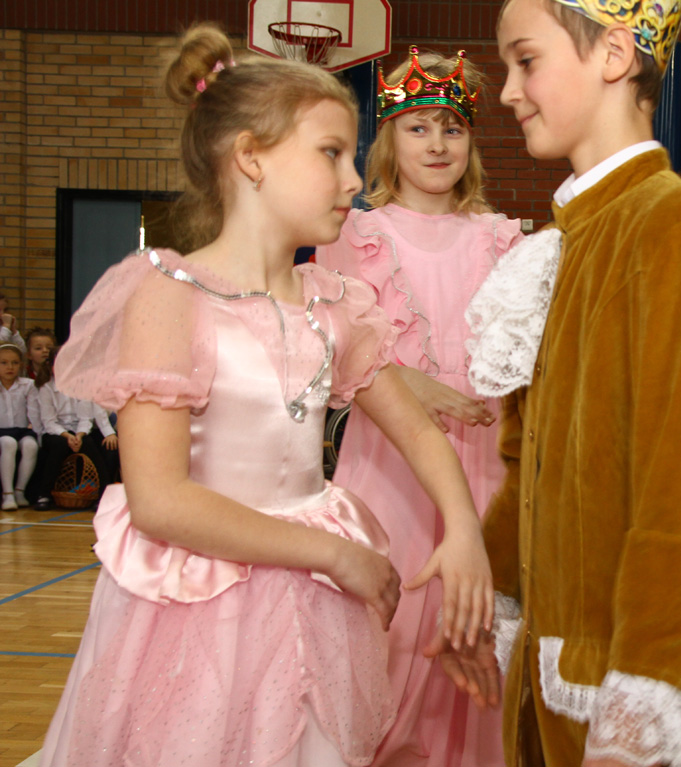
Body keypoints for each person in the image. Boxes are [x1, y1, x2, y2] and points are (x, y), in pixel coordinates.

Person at [40, 25, 494, 766]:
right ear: (251, 157)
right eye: (331, 154)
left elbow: (417, 431)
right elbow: (160, 501)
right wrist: (335, 555)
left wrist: (463, 530)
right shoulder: (170, 297)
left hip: (309, 613)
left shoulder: (333, 302)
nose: (353, 180)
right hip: (199, 613)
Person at [440, 3, 681, 767]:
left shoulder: (675, 226)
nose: (508, 92)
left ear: (615, 56)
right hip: (555, 667)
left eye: (526, 61)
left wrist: (642, 698)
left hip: (620, 686)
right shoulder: (567, 240)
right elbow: (529, 462)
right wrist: (491, 600)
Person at [315, 45, 521, 767]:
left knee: (479, 644)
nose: (437, 145)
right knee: (392, 637)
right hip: (390, 471)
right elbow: (327, 354)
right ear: (389, 140)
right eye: (418, 128)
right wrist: (406, 381)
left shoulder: (504, 240)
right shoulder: (353, 235)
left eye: (452, 129)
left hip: (486, 469)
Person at [30, 347, 115, 510]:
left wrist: (79, 435)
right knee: (59, 445)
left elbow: (86, 418)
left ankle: (103, 494)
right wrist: (67, 436)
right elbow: (49, 421)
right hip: (56, 431)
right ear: (52, 367)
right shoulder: (46, 388)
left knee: (89, 444)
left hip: (79, 430)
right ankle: (44, 494)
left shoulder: (83, 386)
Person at [0, 343, 41, 509]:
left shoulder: (28, 385)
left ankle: (20, 490)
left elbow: (34, 413)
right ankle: (7, 494)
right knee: (8, 443)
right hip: (2, 432)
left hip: (22, 430)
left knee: (31, 445)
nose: (10, 367)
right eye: (3, 363)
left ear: (21, 365)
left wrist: (39, 435)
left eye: (15, 363)